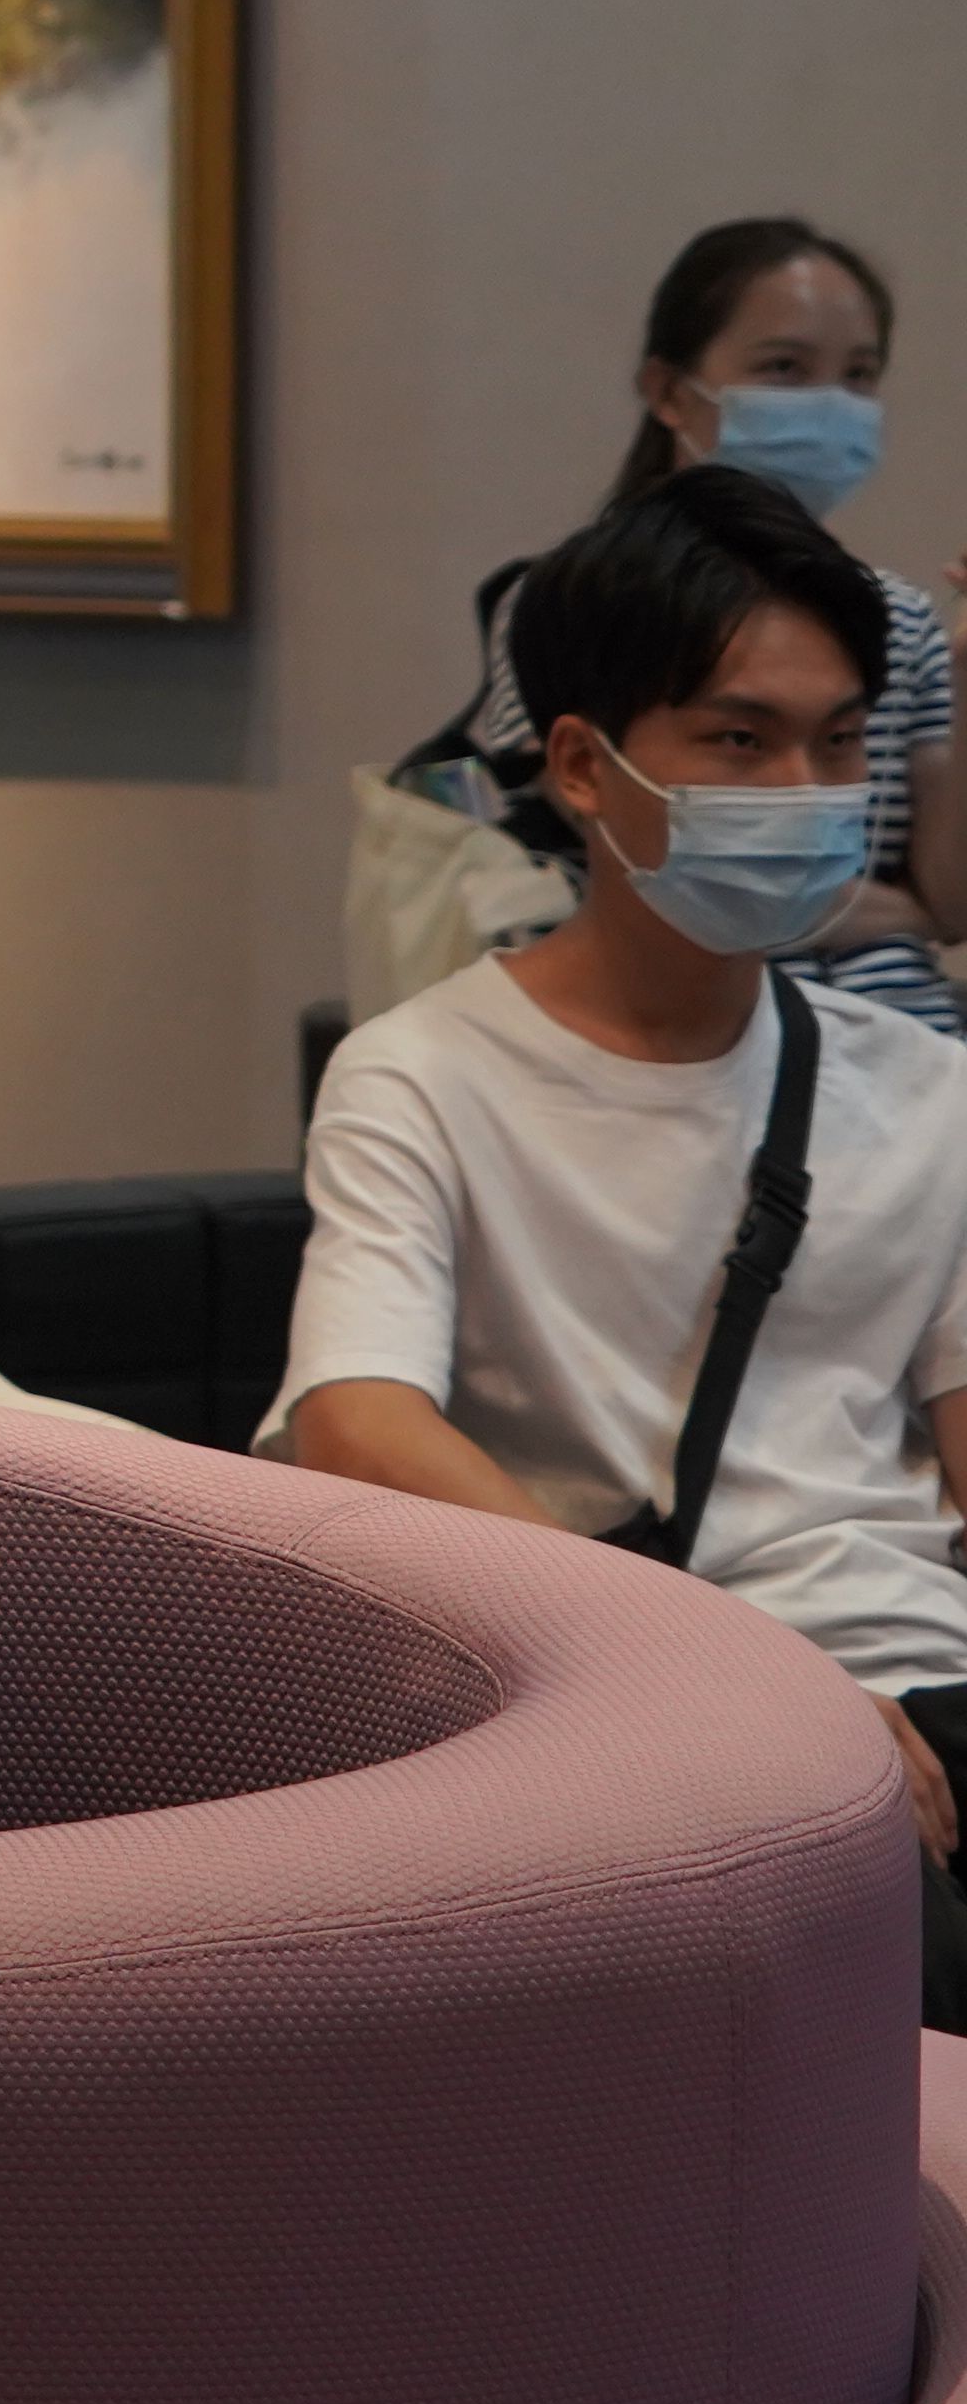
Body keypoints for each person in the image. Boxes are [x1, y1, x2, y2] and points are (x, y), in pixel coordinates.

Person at [279, 463, 967, 2022]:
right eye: (740, 740)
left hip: (925, 1688)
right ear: (585, 766)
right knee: (872, 1937)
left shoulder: (924, 1087)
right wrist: (749, 1687)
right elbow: (357, 1427)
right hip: (644, 1717)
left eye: (841, 741)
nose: (808, 790)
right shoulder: (421, 1076)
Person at [442, 217, 961, 1033]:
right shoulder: (579, 598)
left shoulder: (903, 617)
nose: (831, 404)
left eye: (859, 375)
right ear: (669, 390)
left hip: (903, 1030)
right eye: (784, 369)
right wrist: (891, 909)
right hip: (680, 1035)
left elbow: (953, 902)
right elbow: (640, 865)